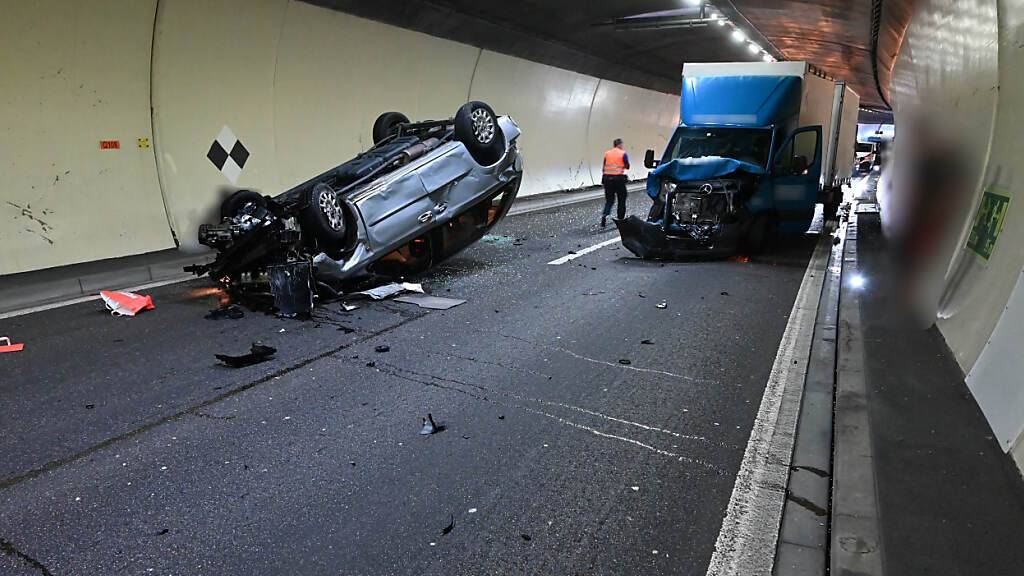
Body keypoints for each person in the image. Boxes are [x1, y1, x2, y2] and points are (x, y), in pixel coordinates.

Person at [601, 138, 630, 227]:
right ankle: (620, 219)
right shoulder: (623, 153)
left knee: (609, 200)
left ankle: (605, 215)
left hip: (607, 179)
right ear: (619, 144)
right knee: (622, 198)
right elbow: (627, 165)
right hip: (618, 179)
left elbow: (604, 166)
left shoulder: (607, 153)